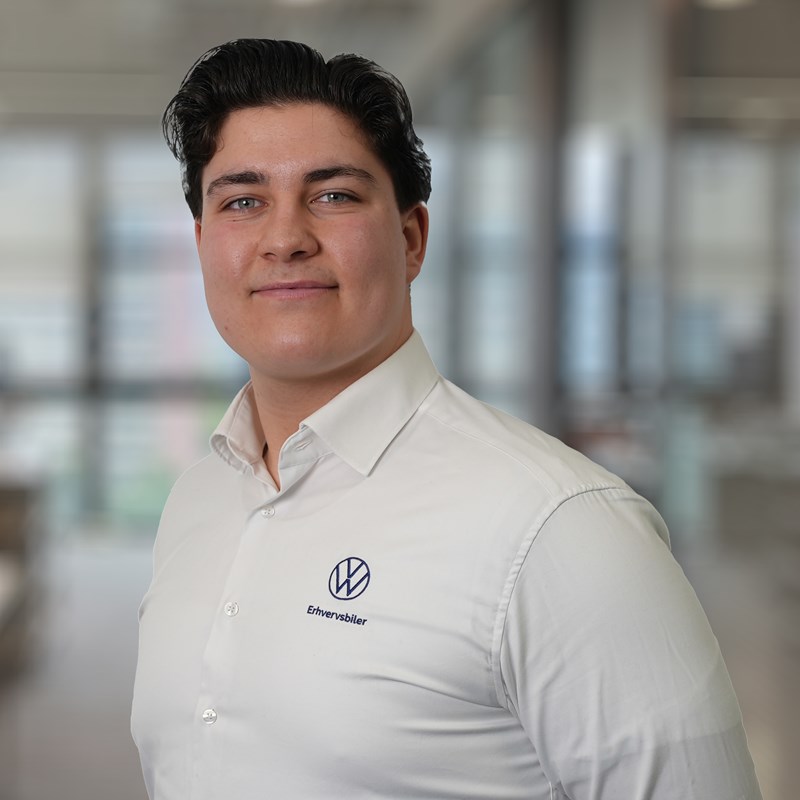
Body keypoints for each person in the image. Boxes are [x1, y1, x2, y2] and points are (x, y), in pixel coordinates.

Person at [131, 38, 762, 800]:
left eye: (334, 196)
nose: (286, 238)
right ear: (203, 243)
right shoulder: (198, 501)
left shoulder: (559, 529)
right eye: (242, 201)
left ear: (411, 239)